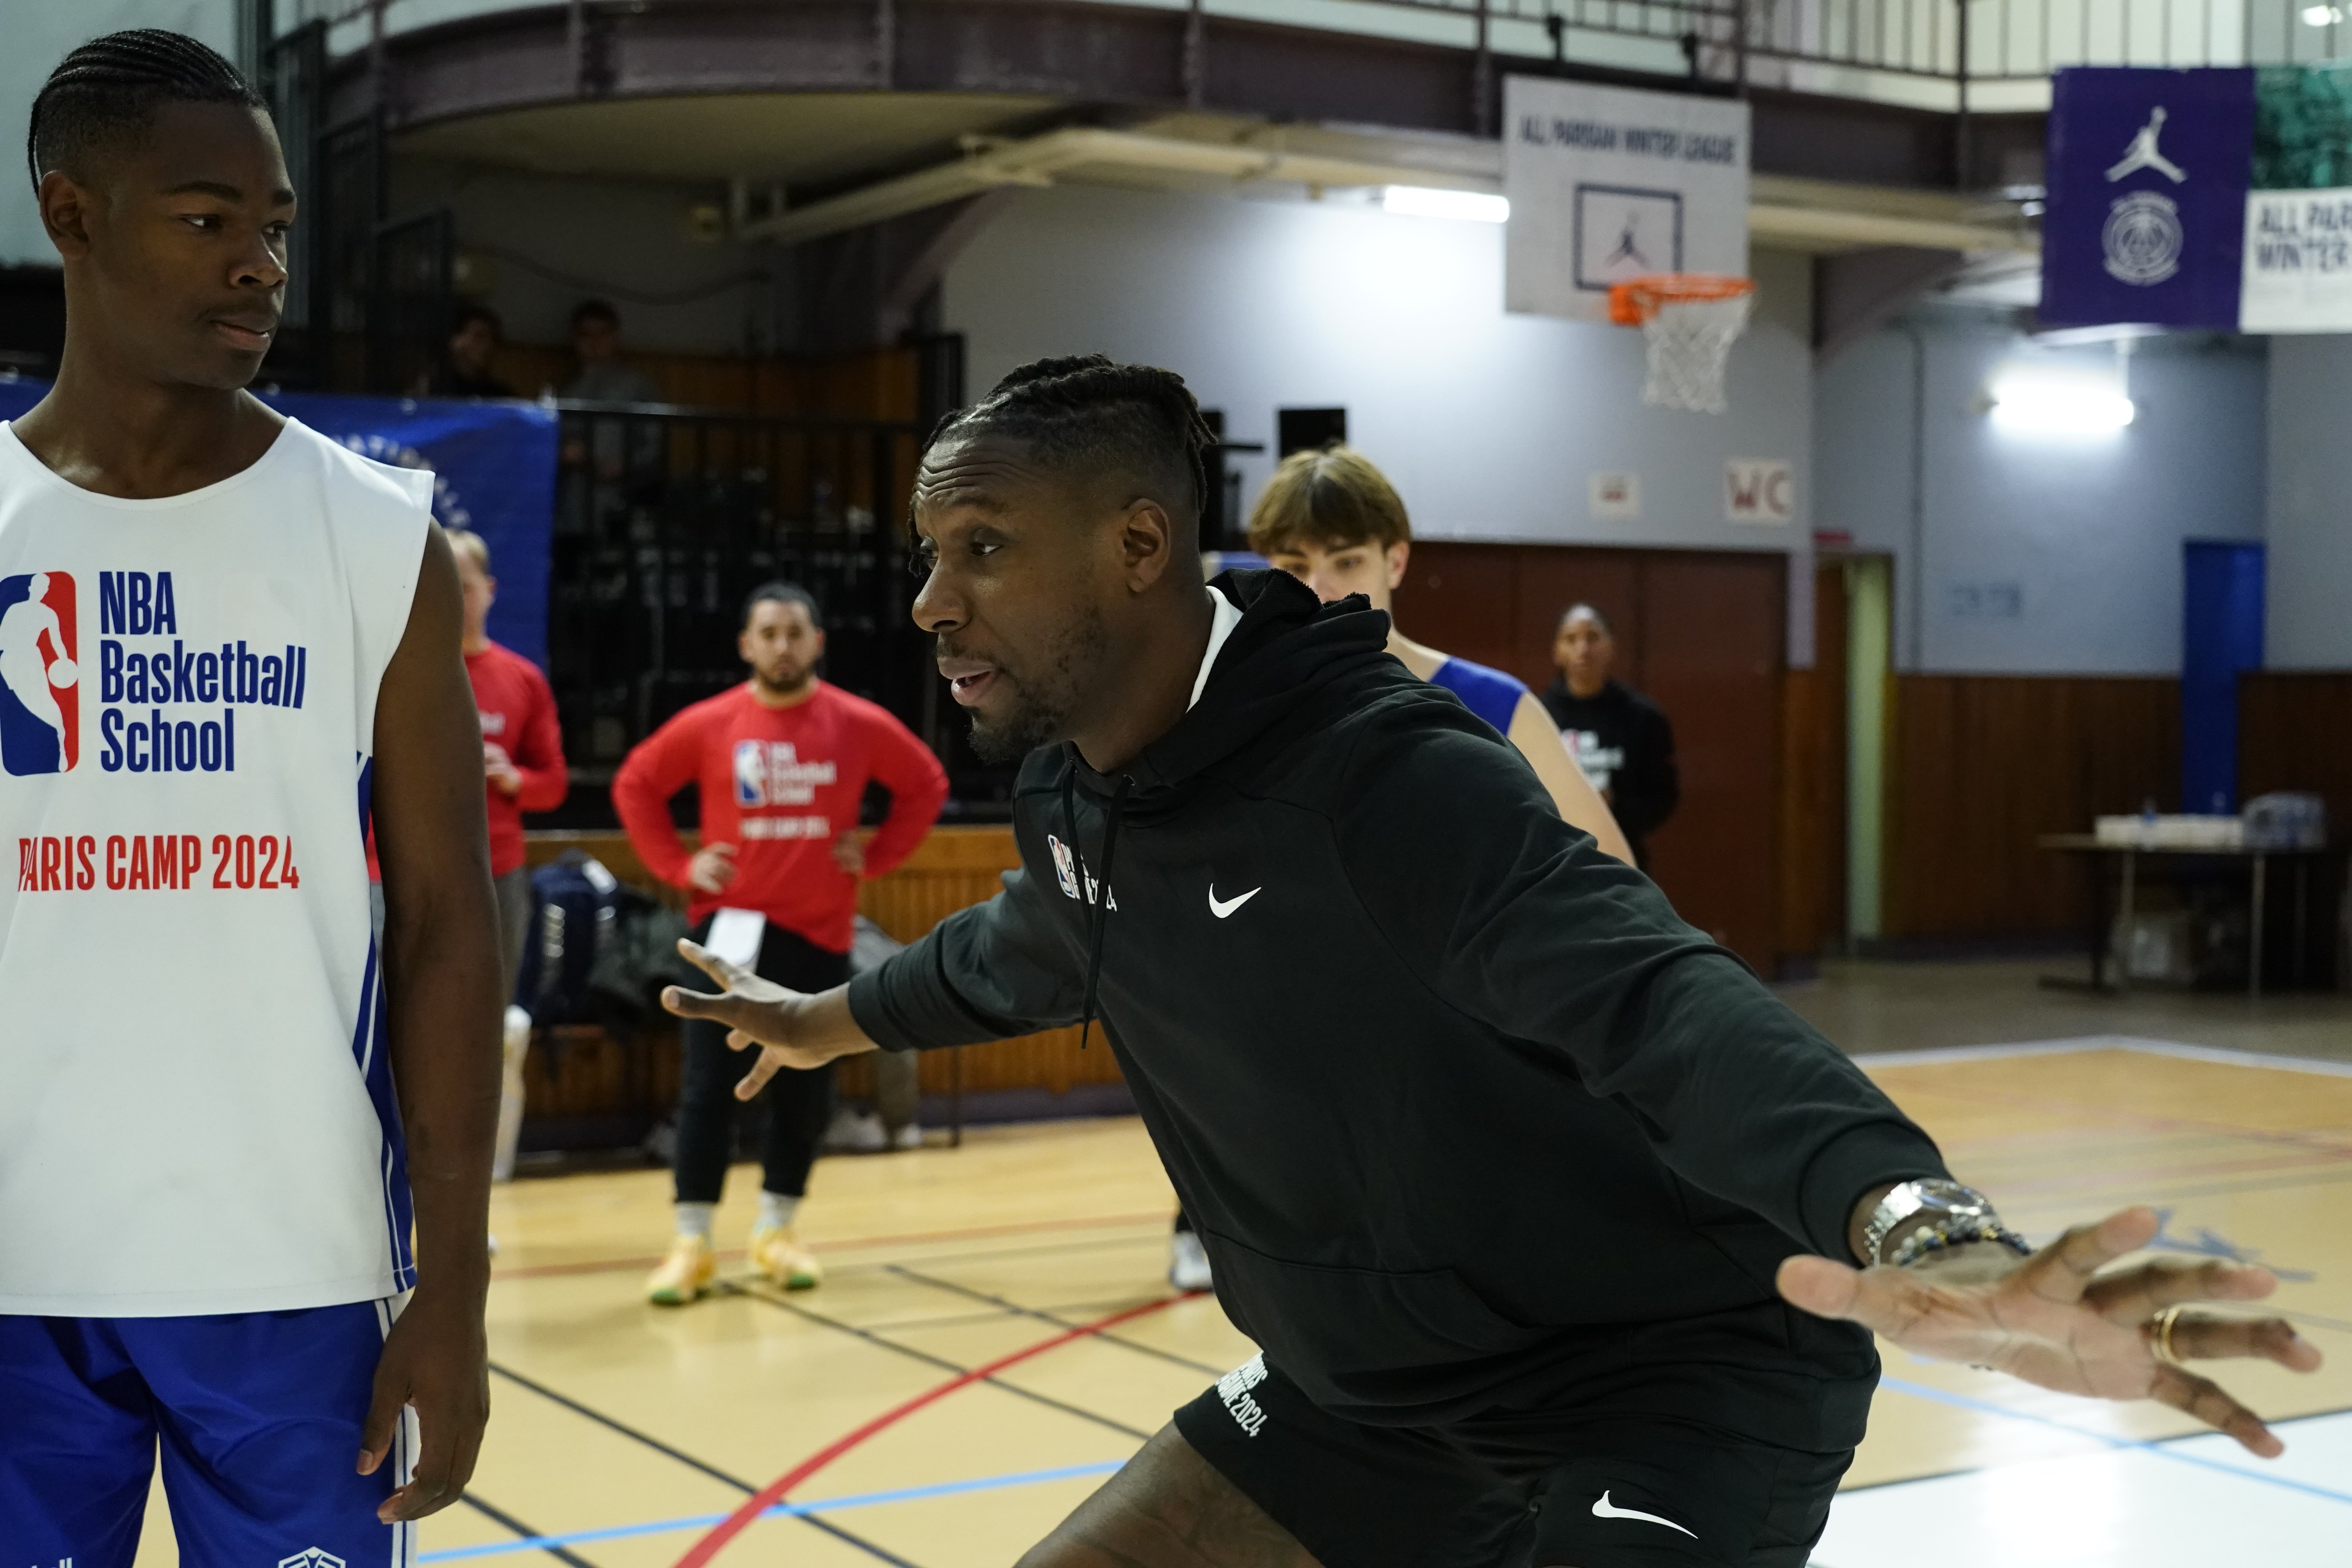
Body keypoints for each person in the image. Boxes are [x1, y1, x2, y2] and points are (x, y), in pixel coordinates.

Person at [663, 355, 2321, 1568]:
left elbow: (1653, 993)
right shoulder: (1078, 788)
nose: (932, 601)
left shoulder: (1380, 774)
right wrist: (825, 1013)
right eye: (929, 553)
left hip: (1659, 1371)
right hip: (1362, 1400)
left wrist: (1918, 1220)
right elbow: (1025, 942)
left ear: (1139, 548)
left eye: (982, 549)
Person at [2, 31, 500, 1557]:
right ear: (71, 214)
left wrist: (459, 1289)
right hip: (16, 1273)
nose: (259, 266)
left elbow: (443, 931)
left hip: (295, 1274)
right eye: (207, 219)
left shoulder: (376, 535)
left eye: (275, 228)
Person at [614, 583, 946, 1304]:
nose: (783, 646)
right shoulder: (711, 723)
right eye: (769, 633)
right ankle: (693, 1241)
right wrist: (679, 866)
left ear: (818, 642)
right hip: (728, 940)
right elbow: (637, 783)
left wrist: (880, 854)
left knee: (805, 1088)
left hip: (818, 934)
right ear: (746, 645)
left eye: (796, 632)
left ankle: (777, 1230)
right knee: (709, 1090)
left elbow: (925, 782)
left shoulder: (855, 723)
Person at [1249, 446, 1633, 866]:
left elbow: (1614, 870)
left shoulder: (1495, 705)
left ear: (1395, 562)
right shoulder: (1244, 703)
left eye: (1348, 561)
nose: (1320, 589)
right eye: (1296, 565)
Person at [1543, 603, 1679, 868]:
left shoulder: (1644, 718)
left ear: (1611, 647)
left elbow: (1663, 798)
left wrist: (1615, 805)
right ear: (1557, 652)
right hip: (1553, 862)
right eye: (1571, 639)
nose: (1583, 649)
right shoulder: (1538, 716)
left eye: (1593, 637)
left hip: (1621, 860)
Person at [560, 297, 660, 405]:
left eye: (602, 334)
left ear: (615, 337)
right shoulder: (566, 385)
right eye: (586, 335)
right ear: (575, 339)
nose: (594, 341)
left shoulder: (636, 385)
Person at [423, 303, 512, 399]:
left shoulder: (501, 397)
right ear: (457, 341)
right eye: (479, 337)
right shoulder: (433, 390)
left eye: (494, 339)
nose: (488, 346)